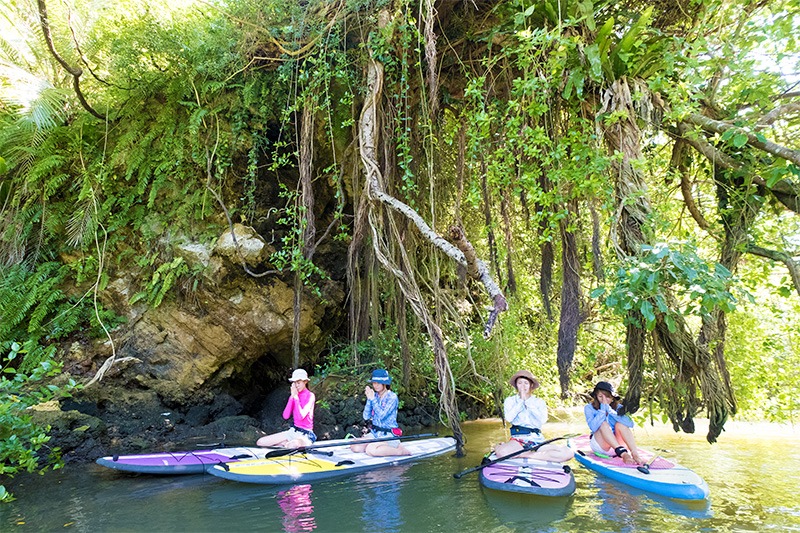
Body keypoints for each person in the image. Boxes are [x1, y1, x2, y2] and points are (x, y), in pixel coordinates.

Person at [493, 370, 574, 463]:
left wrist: (528, 403)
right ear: (516, 385)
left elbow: (542, 420)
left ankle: (527, 455)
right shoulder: (510, 400)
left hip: (537, 440)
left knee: (568, 453)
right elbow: (509, 418)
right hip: (519, 439)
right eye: (520, 383)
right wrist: (520, 402)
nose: (523, 386)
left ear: (531, 385)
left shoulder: (539, 402)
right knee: (502, 453)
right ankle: (524, 452)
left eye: (526, 383)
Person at [349, 369, 410, 457]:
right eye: (374, 383)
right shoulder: (375, 396)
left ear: (384, 383)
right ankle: (377, 445)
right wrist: (369, 399)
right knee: (356, 447)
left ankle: (400, 451)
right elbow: (366, 416)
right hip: (375, 433)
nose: (375, 385)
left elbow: (382, 416)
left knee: (370, 450)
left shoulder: (392, 397)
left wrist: (373, 399)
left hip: (388, 435)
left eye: (378, 383)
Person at [584, 380, 643, 465]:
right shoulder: (589, 408)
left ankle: (634, 453)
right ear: (596, 397)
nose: (604, 399)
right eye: (601, 396)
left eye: (607, 397)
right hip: (601, 445)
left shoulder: (619, 408)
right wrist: (603, 409)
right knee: (603, 424)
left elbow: (630, 424)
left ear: (612, 398)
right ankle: (624, 454)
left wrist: (611, 411)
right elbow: (593, 427)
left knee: (621, 424)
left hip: (618, 444)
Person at [257, 368, 316, 448]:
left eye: (298, 383)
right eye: (294, 383)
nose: (296, 385)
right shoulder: (294, 395)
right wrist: (292, 397)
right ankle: (285, 444)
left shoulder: (310, 396)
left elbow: (301, 416)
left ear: (305, 382)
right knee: (261, 442)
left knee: (292, 445)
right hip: (293, 431)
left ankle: (285, 444)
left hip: (305, 434)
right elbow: (285, 416)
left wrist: (295, 397)